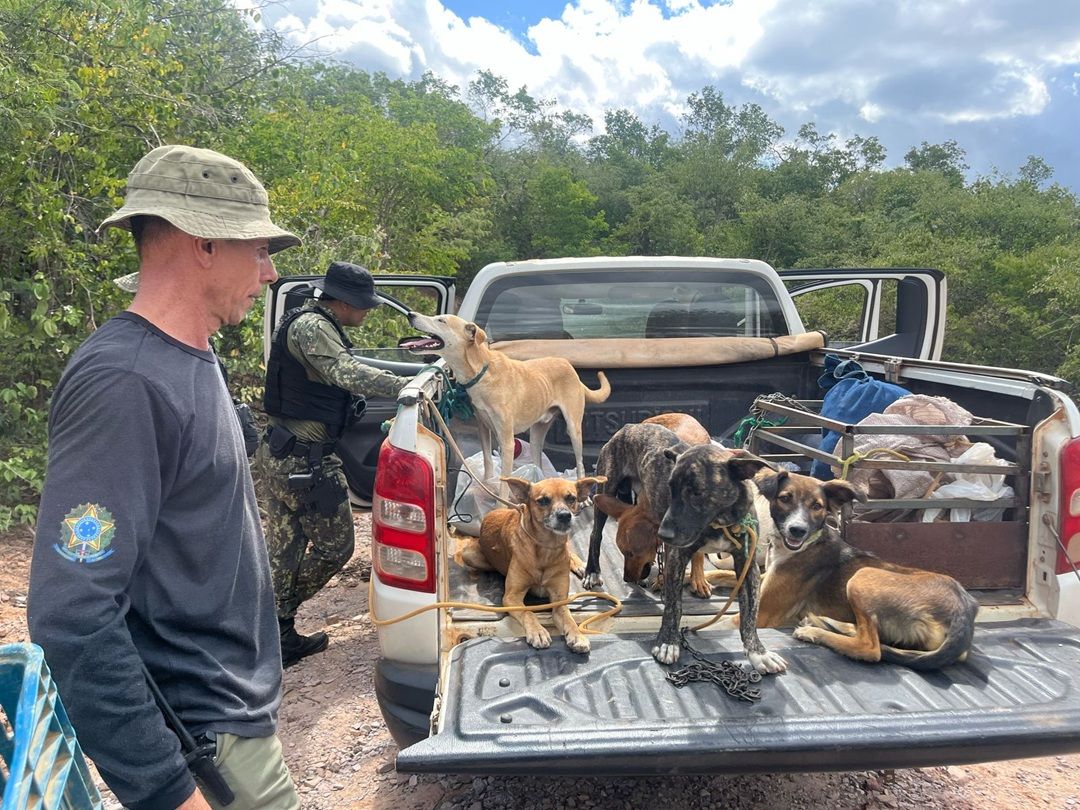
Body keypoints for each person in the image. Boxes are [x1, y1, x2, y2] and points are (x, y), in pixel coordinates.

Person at [28, 144, 302, 810]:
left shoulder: (190, 357)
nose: (268, 273)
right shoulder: (125, 381)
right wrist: (168, 791)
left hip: (231, 720)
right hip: (204, 740)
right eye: (259, 249)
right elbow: (73, 613)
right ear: (203, 243)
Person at [259, 260, 411, 666]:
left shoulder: (316, 323)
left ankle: (277, 633)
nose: (366, 312)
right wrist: (407, 386)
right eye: (363, 305)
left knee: (284, 551)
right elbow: (344, 371)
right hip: (302, 462)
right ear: (343, 301)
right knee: (336, 547)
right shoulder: (312, 326)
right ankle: (264, 619)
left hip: (283, 454)